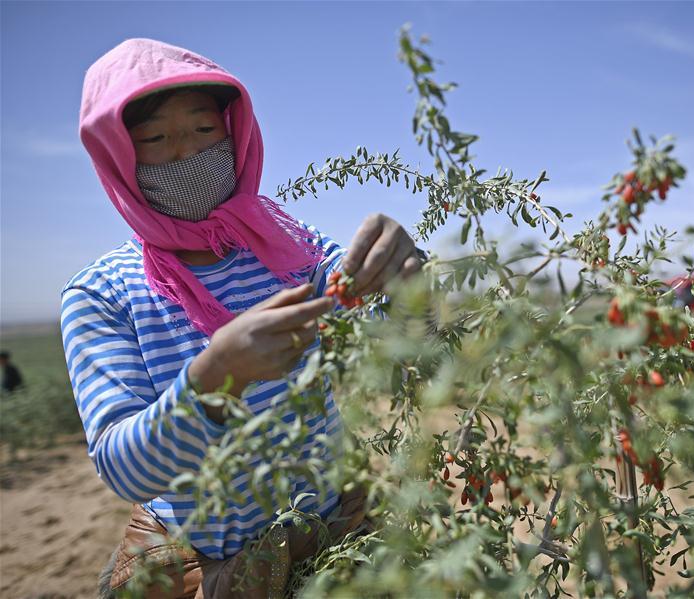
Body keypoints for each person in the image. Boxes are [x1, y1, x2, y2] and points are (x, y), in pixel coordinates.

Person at [61, 38, 423, 598]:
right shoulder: (103, 293)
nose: (185, 154)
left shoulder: (297, 253)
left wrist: (406, 284)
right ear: (120, 158)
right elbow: (122, 468)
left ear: (235, 133)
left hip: (329, 540)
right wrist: (215, 377)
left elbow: (402, 348)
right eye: (156, 138)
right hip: (200, 567)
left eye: (204, 131)